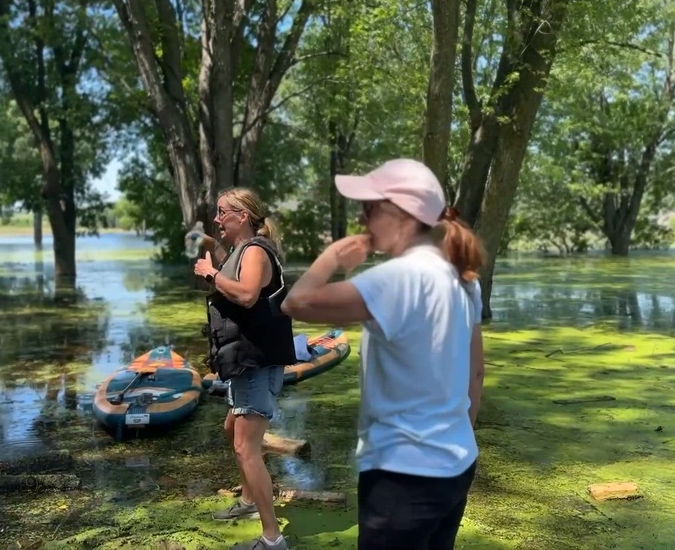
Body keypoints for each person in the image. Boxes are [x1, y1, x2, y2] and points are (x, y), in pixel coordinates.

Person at [280, 158, 486, 550]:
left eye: (370, 208)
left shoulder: (397, 279)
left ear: (403, 215)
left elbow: (296, 302)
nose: (363, 220)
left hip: (402, 476)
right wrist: (453, 439)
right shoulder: (463, 280)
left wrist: (333, 258)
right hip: (456, 464)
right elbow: (476, 374)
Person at [192, 187, 296, 550]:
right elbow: (234, 271)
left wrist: (208, 273)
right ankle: (250, 502)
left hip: (257, 360)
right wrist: (213, 250)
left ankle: (272, 540)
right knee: (232, 429)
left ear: (242, 216)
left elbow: (248, 294)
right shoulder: (243, 250)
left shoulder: (254, 251)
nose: (217, 219)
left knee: (245, 447)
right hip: (246, 362)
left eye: (222, 213)